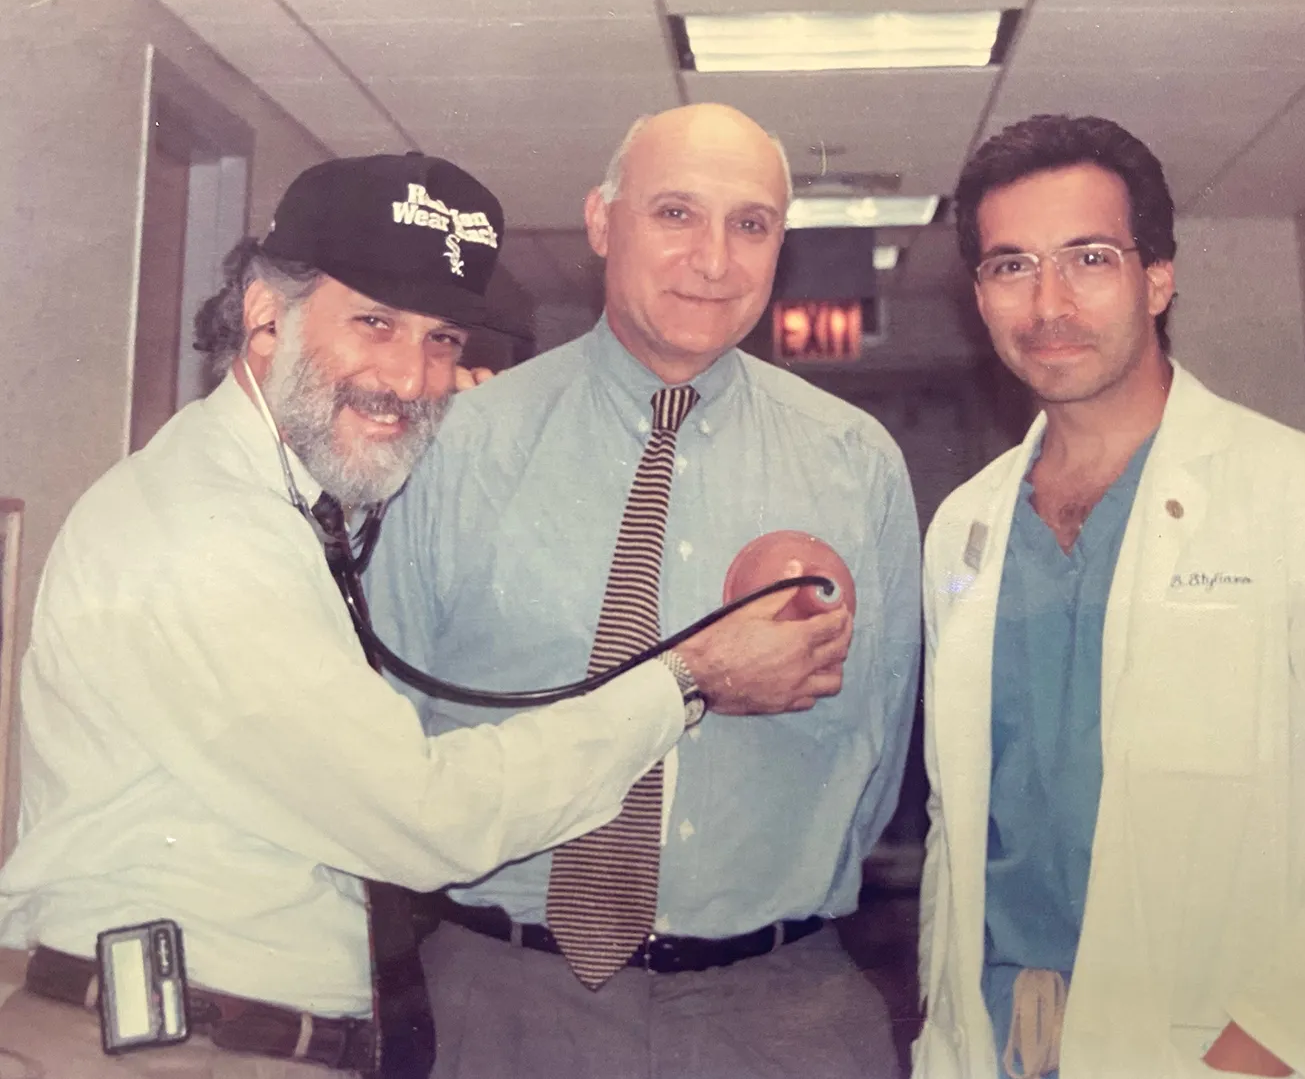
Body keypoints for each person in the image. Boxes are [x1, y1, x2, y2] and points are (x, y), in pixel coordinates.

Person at [0, 152, 848, 1079]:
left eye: (441, 340)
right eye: (374, 322)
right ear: (263, 315)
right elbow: (424, 818)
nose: (412, 378)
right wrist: (688, 678)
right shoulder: (205, 533)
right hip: (162, 1049)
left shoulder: (285, 502)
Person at [366, 103, 922, 1079]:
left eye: (750, 224)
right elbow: (387, 746)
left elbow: (877, 762)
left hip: (784, 1011)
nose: (714, 258)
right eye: (676, 213)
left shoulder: (854, 464)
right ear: (600, 221)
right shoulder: (457, 447)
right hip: (505, 1005)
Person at [914, 114, 1305, 1079]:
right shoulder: (966, 524)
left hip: (1236, 1050)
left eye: (1088, 257)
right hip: (1007, 1039)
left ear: (1158, 276)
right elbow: (960, 825)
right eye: (1012, 266)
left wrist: (1258, 1055)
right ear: (980, 295)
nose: (1049, 301)